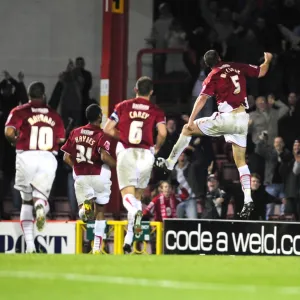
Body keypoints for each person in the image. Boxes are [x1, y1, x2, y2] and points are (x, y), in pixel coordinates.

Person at [155, 49, 273, 219]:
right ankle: (248, 198)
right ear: (220, 58)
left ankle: (169, 162)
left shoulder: (213, 75)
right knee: (240, 162)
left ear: (207, 65)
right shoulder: (236, 67)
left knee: (187, 129)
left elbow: (202, 99)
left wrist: (191, 119)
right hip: (241, 119)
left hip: (226, 119)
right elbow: (261, 71)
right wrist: (267, 60)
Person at [103, 76, 167, 253]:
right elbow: (163, 132)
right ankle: (129, 239)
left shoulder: (123, 106)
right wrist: (157, 147)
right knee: (137, 198)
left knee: (129, 198)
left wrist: (121, 135)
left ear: (135, 89)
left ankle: (135, 215)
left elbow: (107, 129)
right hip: (146, 154)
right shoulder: (156, 110)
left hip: (127, 152)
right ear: (151, 92)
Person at [4, 82, 65, 253]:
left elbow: (9, 132)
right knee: (41, 198)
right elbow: (61, 139)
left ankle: (30, 246)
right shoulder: (54, 115)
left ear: (29, 95)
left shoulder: (19, 111)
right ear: (43, 95)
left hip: (26, 156)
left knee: (26, 200)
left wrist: (15, 141)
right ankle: (41, 207)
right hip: (47, 157)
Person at [61, 104, 115, 254]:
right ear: (99, 117)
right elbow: (104, 156)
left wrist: (77, 167)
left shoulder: (75, 132)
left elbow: (66, 157)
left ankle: (84, 212)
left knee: (87, 213)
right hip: (99, 174)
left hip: (80, 175)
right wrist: (116, 165)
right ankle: (97, 247)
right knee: (100, 211)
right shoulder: (102, 134)